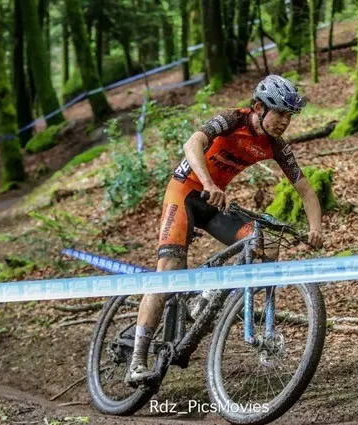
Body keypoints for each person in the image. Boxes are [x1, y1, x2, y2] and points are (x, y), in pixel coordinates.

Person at [127, 74, 324, 384]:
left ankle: (208, 297)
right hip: (185, 193)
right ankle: (137, 360)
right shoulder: (233, 119)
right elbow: (192, 142)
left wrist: (315, 229)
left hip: (214, 203)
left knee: (265, 245)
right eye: (280, 113)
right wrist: (207, 182)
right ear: (259, 108)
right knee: (168, 270)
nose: (285, 121)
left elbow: (306, 190)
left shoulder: (276, 145)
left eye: (289, 115)